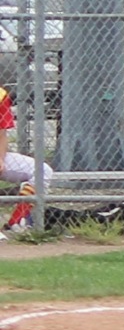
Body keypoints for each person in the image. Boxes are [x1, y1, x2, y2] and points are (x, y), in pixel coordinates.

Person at [0, 84, 54, 235]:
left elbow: (2, 134)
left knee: (42, 171)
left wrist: (0, 159)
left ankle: (15, 222)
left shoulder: (1, 95)